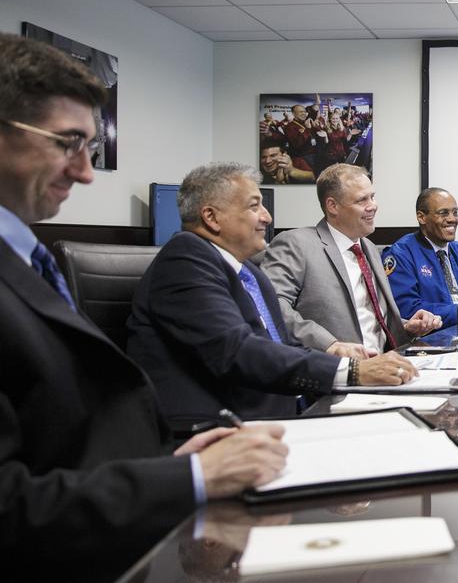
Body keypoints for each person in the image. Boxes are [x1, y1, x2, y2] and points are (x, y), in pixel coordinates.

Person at [0, 33, 288, 579]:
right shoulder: (187, 259)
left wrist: (167, 467)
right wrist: (193, 477)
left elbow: (63, 438)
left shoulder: (27, 257)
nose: (86, 172)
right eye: (67, 143)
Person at [128, 163, 418, 435]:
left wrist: (344, 363)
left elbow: (286, 345)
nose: (267, 217)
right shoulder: (184, 261)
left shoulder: (250, 273)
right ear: (211, 217)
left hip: (287, 413)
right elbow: (237, 351)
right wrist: (351, 372)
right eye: (255, 206)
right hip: (223, 430)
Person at [262, 163, 442, 358]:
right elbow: (270, 305)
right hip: (336, 371)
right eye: (362, 200)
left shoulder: (370, 249)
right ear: (333, 206)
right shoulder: (297, 244)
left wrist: (407, 326)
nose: (373, 205)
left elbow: (370, 318)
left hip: (387, 364)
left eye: (372, 196)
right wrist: (330, 345)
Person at [386, 187, 458, 329]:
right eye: (443, 213)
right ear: (422, 217)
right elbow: (407, 307)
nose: (452, 219)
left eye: (455, 212)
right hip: (431, 339)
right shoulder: (401, 253)